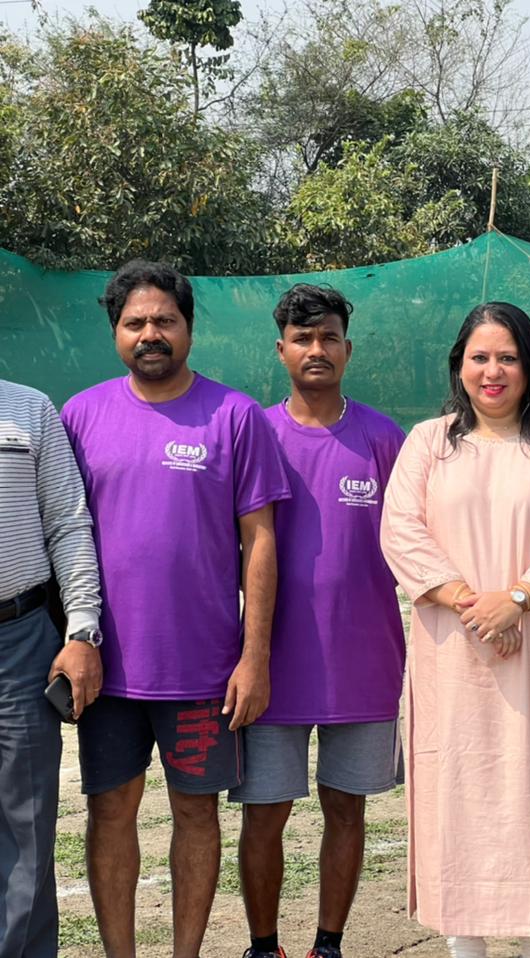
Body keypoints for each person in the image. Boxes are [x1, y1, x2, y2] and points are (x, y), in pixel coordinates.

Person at [60, 260, 291, 958]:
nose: (150, 333)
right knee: (111, 813)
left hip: (204, 672)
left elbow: (260, 541)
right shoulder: (80, 416)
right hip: (107, 671)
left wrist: (254, 658)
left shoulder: (235, 416)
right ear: (115, 332)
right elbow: (62, 534)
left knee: (196, 813)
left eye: (165, 320)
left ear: (189, 327)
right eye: (135, 322)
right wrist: (74, 639)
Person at [380, 301, 530, 958]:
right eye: (480, 357)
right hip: (453, 654)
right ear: (460, 366)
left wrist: (518, 600)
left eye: (507, 357)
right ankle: (465, 948)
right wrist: (474, 606)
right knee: (457, 794)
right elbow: (402, 529)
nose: (493, 371)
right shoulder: (429, 443)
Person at [233, 284, 406, 958]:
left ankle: (328, 945)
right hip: (269, 666)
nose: (316, 349)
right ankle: (263, 946)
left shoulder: (384, 439)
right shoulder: (253, 433)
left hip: (364, 662)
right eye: (302, 339)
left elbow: (420, 542)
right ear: (280, 350)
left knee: (346, 807)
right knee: (264, 812)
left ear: (347, 349)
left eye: (328, 337)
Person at [0, 377, 103, 957]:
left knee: (28, 827)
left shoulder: (30, 408)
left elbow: (67, 521)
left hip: (20, 642)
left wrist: (82, 629)